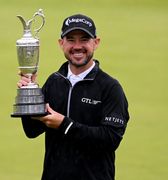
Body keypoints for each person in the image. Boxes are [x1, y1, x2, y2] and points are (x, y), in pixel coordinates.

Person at [17, 14, 130, 180]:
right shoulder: (54, 81)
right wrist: (29, 95)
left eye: (84, 39)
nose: (77, 46)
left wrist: (65, 125)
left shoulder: (110, 87)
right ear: (61, 43)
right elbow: (32, 131)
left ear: (96, 43)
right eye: (71, 39)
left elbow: (110, 139)